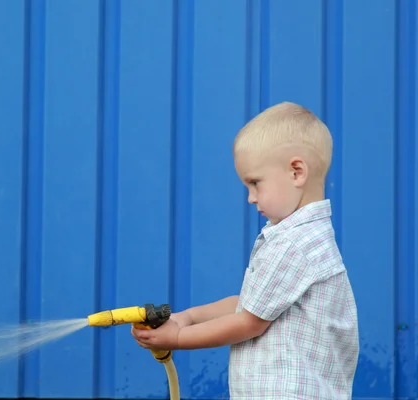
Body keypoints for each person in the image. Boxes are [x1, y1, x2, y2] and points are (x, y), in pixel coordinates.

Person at [131, 102, 359, 399]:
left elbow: (250, 321)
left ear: (296, 172)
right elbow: (251, 303)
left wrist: (178, 336)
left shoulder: (294, 243)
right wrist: (188, 317)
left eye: (255, 183)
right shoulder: (300, 236)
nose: (251, 198)